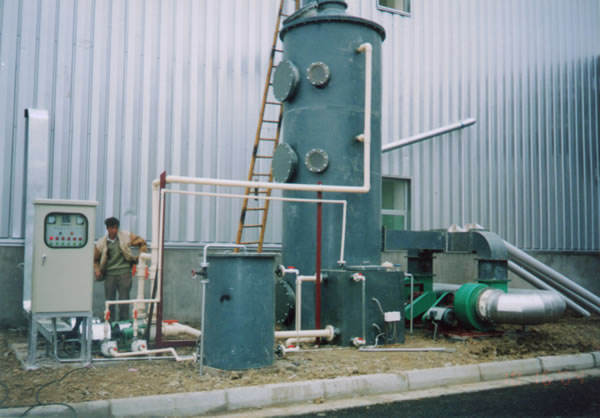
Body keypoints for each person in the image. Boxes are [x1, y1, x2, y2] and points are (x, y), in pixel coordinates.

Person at [93, 217, 147, 322]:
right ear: (107, 228)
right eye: (112, 228)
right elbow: (95, 259)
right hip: (110, 275)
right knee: (110, 301)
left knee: (124, 301)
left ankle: (124, 323)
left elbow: (142, 242)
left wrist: (140, 257)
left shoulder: (126, 236)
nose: (115, 230)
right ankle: (110, 324)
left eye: (116, 228)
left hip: (125, 273)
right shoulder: (101, 242)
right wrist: (97, 270)